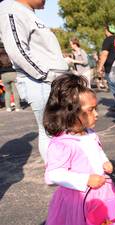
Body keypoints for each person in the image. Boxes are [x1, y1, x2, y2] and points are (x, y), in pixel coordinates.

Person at [43, 74, 115, 225]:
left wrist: (104, 161)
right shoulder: (62, 144)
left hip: (102, 192)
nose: (97, 114)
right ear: (71, 112)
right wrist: (85, 179)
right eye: (91, 110)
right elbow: (53, 174)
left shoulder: (89, 133)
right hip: (79, 198)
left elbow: (97, 150)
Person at [0, 0, 69, 162]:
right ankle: (57, 171)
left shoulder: (25, 12)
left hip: (50, 81)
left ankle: (61, 167)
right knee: (50, 129)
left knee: (59, 128)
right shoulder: (11, 9)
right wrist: (46, 76)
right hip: (42, 83)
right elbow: (17, 49)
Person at [97, 23, 115, 111]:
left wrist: (100, 67)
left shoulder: (108, 40)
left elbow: (104, 54)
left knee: (113, 86)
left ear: (106, 30)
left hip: (111, 67)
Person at [0, 41, 21, 112]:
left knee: (7, 92)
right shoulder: (10, 53)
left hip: (4, 75)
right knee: (15, 91)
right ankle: (17, 107)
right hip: (13, 73)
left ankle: (8, 107)